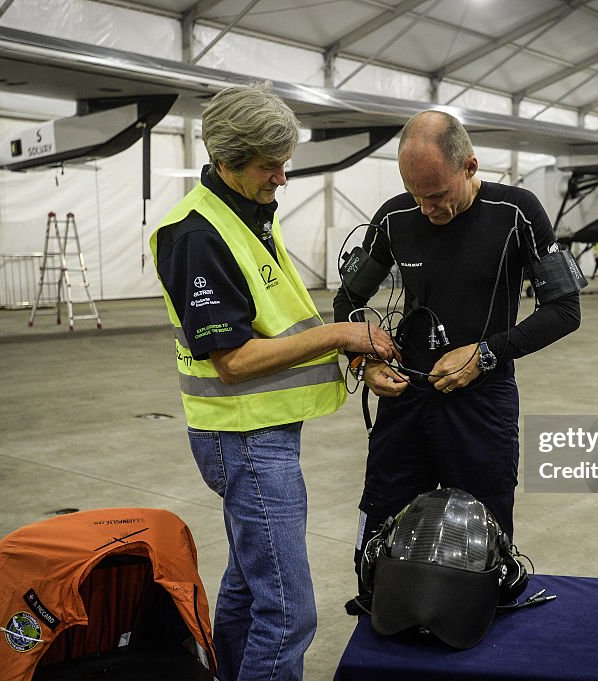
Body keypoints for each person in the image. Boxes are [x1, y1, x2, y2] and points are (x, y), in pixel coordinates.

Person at [150, 82, 396, 681]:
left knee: (246, 587)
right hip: (245, 440)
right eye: (270, 166)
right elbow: (231, 361)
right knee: (289, 613)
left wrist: (351, 355)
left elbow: (280, 316)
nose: (282, 177)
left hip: (265, 432)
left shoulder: (248, 212)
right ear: (227, 162)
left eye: (285, 164)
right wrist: (342, 338)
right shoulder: (198, 236)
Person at [333, 110, 581, 596]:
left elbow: (565, 309)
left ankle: (475, 610)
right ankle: (380, 603)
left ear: (470, 166)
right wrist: (366, 360)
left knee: (484, 518)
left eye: (440, 195)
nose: (428, 209)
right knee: (384, 507)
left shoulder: (517, 212)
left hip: (482, 401)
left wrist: (485, 355)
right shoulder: (393, 217)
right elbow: (346, 302)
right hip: (404, 398)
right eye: (417, 196)